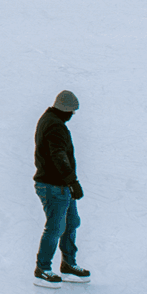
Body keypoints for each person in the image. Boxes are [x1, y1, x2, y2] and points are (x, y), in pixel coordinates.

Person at [33, 91, 90, 283]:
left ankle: (68, 264)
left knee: (71, 222)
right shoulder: (55, 126)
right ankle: (42, 268)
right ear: (64, 109)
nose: (72, 115)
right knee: (56, 227)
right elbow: (58, 156)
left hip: (60, 185)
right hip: (53, 186)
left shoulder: (50, 119)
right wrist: (73, 182)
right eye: (72, 111)